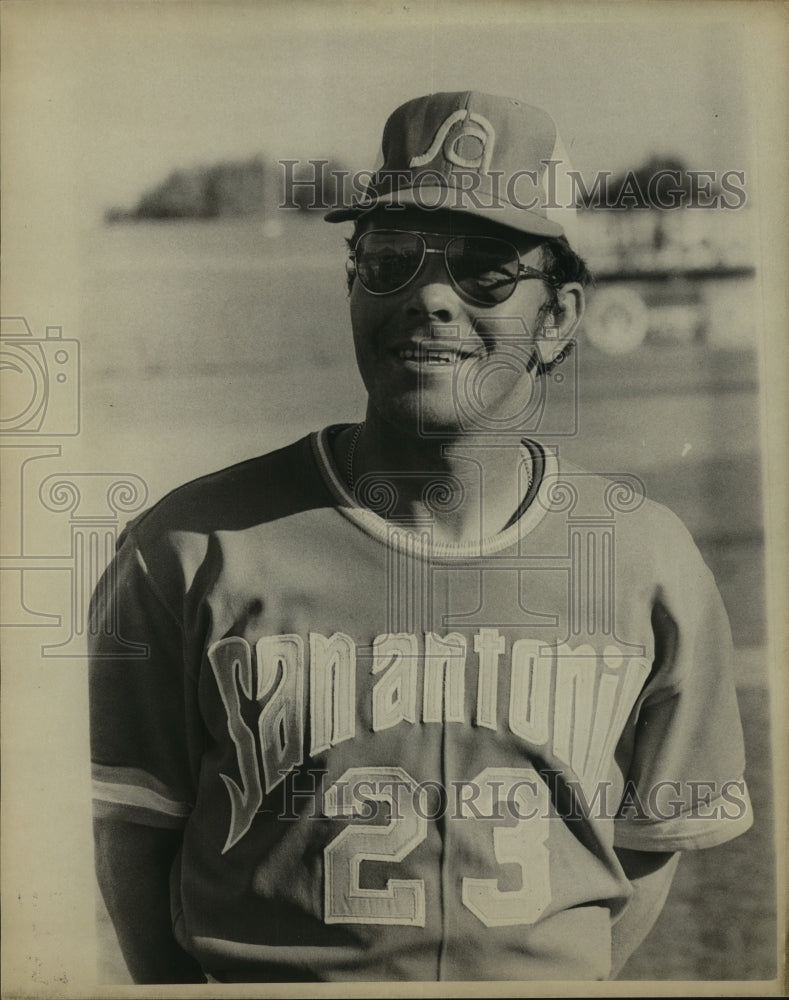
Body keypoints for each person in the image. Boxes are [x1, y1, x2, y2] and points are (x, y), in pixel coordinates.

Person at [89, 91, 753, 984]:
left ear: (557, 318)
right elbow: (136, 836)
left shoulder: (647, 559)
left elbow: (646, 850)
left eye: (485, 271)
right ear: (352, 286)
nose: (431, 298)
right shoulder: (188, 547)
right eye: (392, 259)